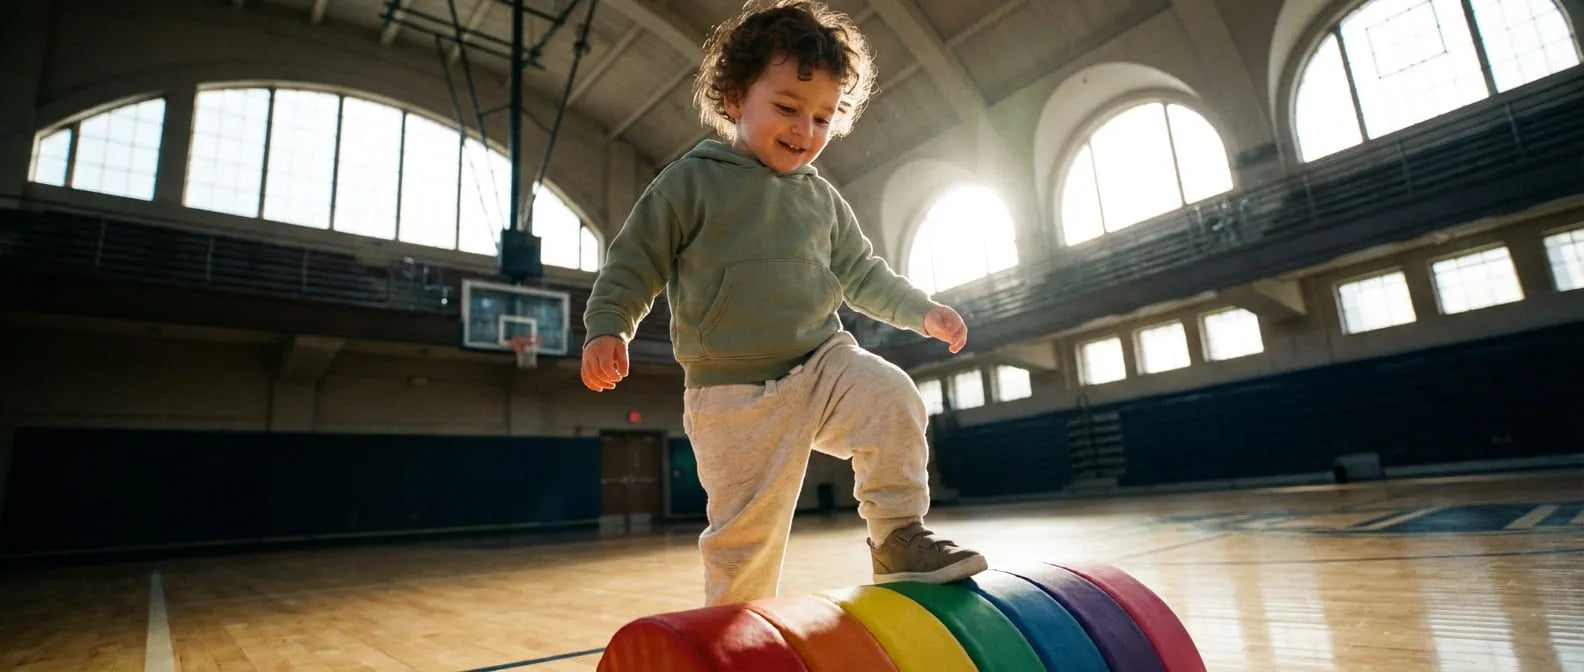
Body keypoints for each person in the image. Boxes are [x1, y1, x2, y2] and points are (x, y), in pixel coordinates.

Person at [579, 0, 986, 607]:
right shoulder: (689, 182)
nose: (805, 130)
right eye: (788, 109)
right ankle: (732, 631)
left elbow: (863, 272)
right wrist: (609, 326)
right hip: (732, 395)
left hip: (822, 364)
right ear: (736, 98)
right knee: (745, 544)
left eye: (823, 118)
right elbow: (635, 260)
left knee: (893, 396)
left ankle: (898, 537)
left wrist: (921, 310)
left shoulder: (822, 200)